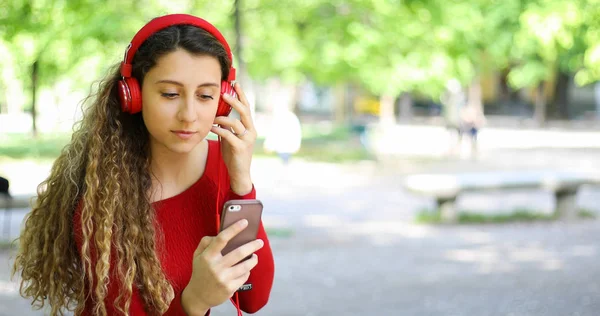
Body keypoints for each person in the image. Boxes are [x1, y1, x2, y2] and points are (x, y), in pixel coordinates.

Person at [12, 14, 274, 316]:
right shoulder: (105, 189)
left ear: (224, 101)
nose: (189, 114)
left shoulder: (225, 160)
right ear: (133, 96)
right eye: (170, 94)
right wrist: (195, 301)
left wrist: (242, 183)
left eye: (205, 95)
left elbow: (253, 298)